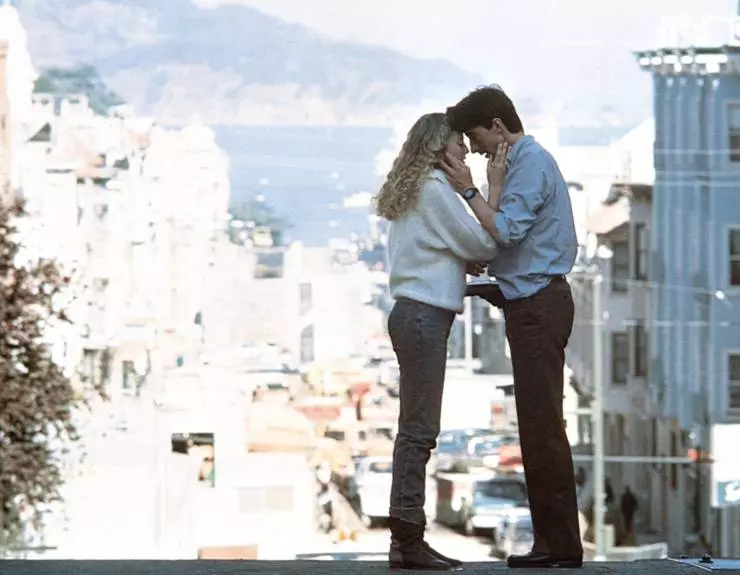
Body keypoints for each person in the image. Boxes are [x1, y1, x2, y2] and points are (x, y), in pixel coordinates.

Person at [440, 86, 583, 569]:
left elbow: (506, 230)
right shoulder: (518, 164)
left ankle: (558, 546)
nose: (475, 148)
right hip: (531, 301)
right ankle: (554, 543)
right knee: (537, 427)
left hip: (538, 305)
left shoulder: (529, 164)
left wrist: (470, 190)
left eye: (477, 137)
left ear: (498, 126)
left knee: (542, 429)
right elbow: (503, 238)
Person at [374, 112, 502, 571]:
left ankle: (406, 539)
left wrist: (456, 259)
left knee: (415, 429)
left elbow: (436, 249)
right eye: (457, 142)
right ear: (438, 146)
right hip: (424, 318)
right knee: (419, 432)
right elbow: (485, 244)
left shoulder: (417, 189)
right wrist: (488, 189)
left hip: (413, 315)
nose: (464, 149)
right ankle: (408, 542)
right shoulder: (434, 189)